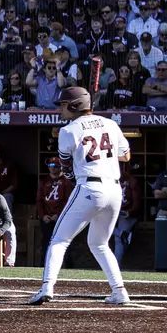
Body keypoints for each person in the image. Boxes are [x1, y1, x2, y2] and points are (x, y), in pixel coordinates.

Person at [30, 86, 132, 306]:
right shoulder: (111, 124)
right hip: (115, 190)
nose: (60, 109)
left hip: (89, 186)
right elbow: (126, 155)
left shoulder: (67, 131)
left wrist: (76, 167)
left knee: (59, 239)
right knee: (99, 243)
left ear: (75, 105)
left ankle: (47, 287)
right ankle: (119, 290)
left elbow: (66, 166)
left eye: (64, 105)